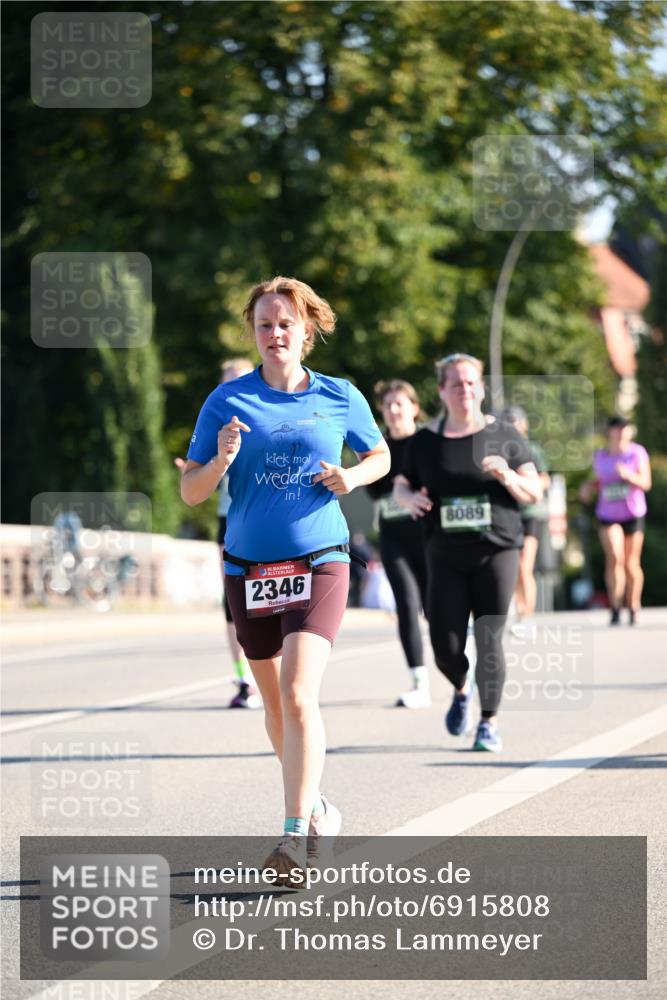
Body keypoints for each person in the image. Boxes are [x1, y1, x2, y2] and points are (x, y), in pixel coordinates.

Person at [181, 276, 389, 877]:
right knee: (275, 707)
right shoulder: (226, 401)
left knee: (299, 694)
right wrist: (219, 459)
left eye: (286, 323)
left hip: (320, 558)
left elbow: (380, 455)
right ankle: (318, 804)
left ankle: (294, 838)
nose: (275, 333)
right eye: (265, 324)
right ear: (254, 331)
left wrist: (353, 477)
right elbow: (191, 492)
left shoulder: (339, 395)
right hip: (248, 567)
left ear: (308, 331)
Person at [394, 354, 542, 752]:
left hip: (498, 549)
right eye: (456, 384)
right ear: (442, 390)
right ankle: (461, 687)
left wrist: (507, 476)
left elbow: (535, 490)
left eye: (472, 383)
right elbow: (400, 485)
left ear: (482, 388)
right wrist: (409, 499)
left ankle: (489, 722)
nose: (466, 390)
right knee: (445, 644)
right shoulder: (425, 441)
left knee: (491, 638)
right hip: (444, 552)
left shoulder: (504, 435)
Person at [175, 358, 260, 709]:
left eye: (237, 381)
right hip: (230, 519)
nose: (231, 390)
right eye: (225, 383)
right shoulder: (214, 424)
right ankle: (245, 679)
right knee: (234, 600)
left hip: (265, 518)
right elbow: (199, 481)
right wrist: (203, 468)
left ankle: (272, 673)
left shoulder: (266, 417)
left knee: (268, 600)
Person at [365, 380, 430, 707]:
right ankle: (419, 681)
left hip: (429, 538)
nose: (392, 411)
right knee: (405, 606)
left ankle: (461, 663)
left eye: (399, 404)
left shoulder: (429, 442)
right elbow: (374, 492)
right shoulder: (379, 448)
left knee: (436, 609)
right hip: (394, 538)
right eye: (387, 406)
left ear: (414, 408)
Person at [579, 416, 651, 625]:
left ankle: (633, 605)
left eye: (624, 429)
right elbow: (600, 480)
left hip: (633, 513)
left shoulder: (637, 453)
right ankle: (616, 606)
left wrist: (629, 475)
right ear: (609, 432)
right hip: (608, 514)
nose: (621, 432)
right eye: (617, 429)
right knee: (615, 557)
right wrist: (588, 487)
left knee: (631, 563)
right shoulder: (601, 456)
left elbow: (646, 483)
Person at [501, 405, 551, 624]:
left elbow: (545, 479)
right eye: (507, 421)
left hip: (531, 512)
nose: (512, 426)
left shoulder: (532, 449)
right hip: (508, 513)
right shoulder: (497, 449)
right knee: (510, 565)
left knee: (524, 564)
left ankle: (527, 614)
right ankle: (516, 607)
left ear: (523, 425)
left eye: (515, 421)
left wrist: (521, 482)